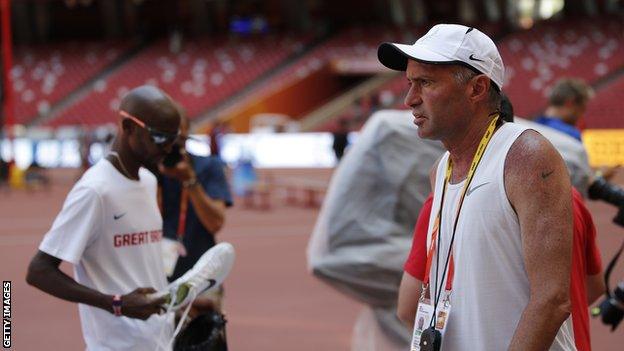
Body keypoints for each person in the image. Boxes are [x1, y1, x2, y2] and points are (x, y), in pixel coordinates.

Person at [378, 24, 575, 350]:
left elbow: (552, 300)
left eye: (425, 83)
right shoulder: (441, 170)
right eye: (410, 83)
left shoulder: (526, 157)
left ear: (477, 88)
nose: (410, 99)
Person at [26, 85, 181, 350]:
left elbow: (141, 266)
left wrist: (179, 299)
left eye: (173, 138)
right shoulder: (95, 191)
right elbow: (38, 271)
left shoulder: (148, 182)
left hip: (160, 341)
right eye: (158, 136)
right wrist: (116, 303)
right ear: (128, 127)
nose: (168, 147)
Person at [158, 111, 233, 314]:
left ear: (187, 134)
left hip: (201, 278)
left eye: (178, 137)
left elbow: (215, 223)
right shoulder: (146, 172)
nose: (171, 146)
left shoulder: (209, 166)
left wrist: (190, 181)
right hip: (154, 280)